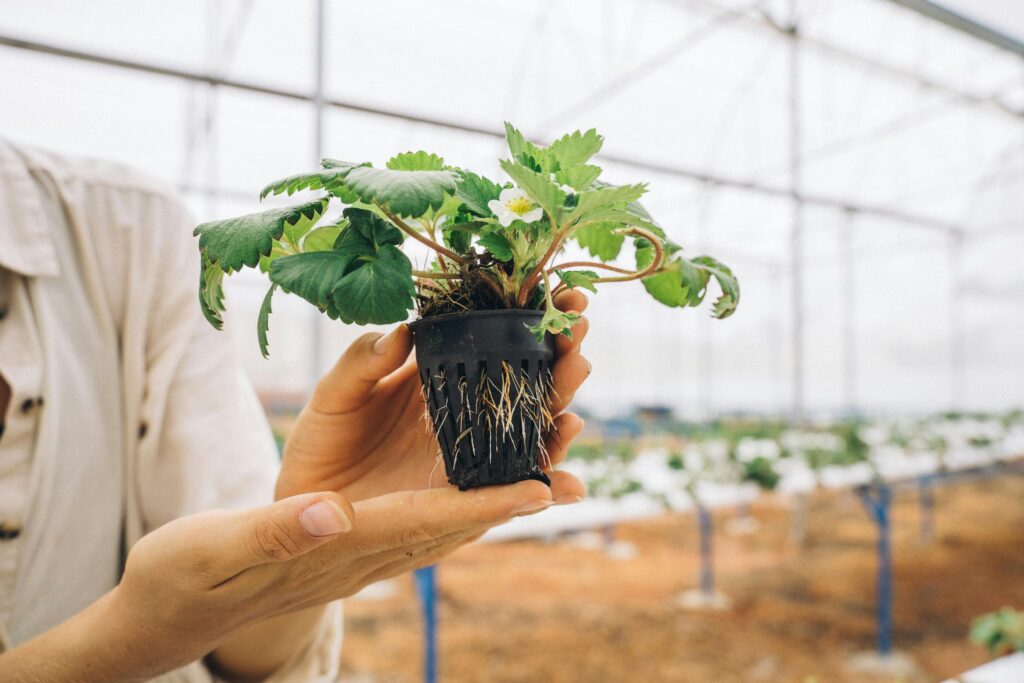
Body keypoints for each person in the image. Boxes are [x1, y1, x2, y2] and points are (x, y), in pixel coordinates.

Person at [0, 139, 590, 682]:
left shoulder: (125, 227)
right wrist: (132, 635)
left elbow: (248, 640)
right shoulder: (128, 227)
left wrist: (293, 569)